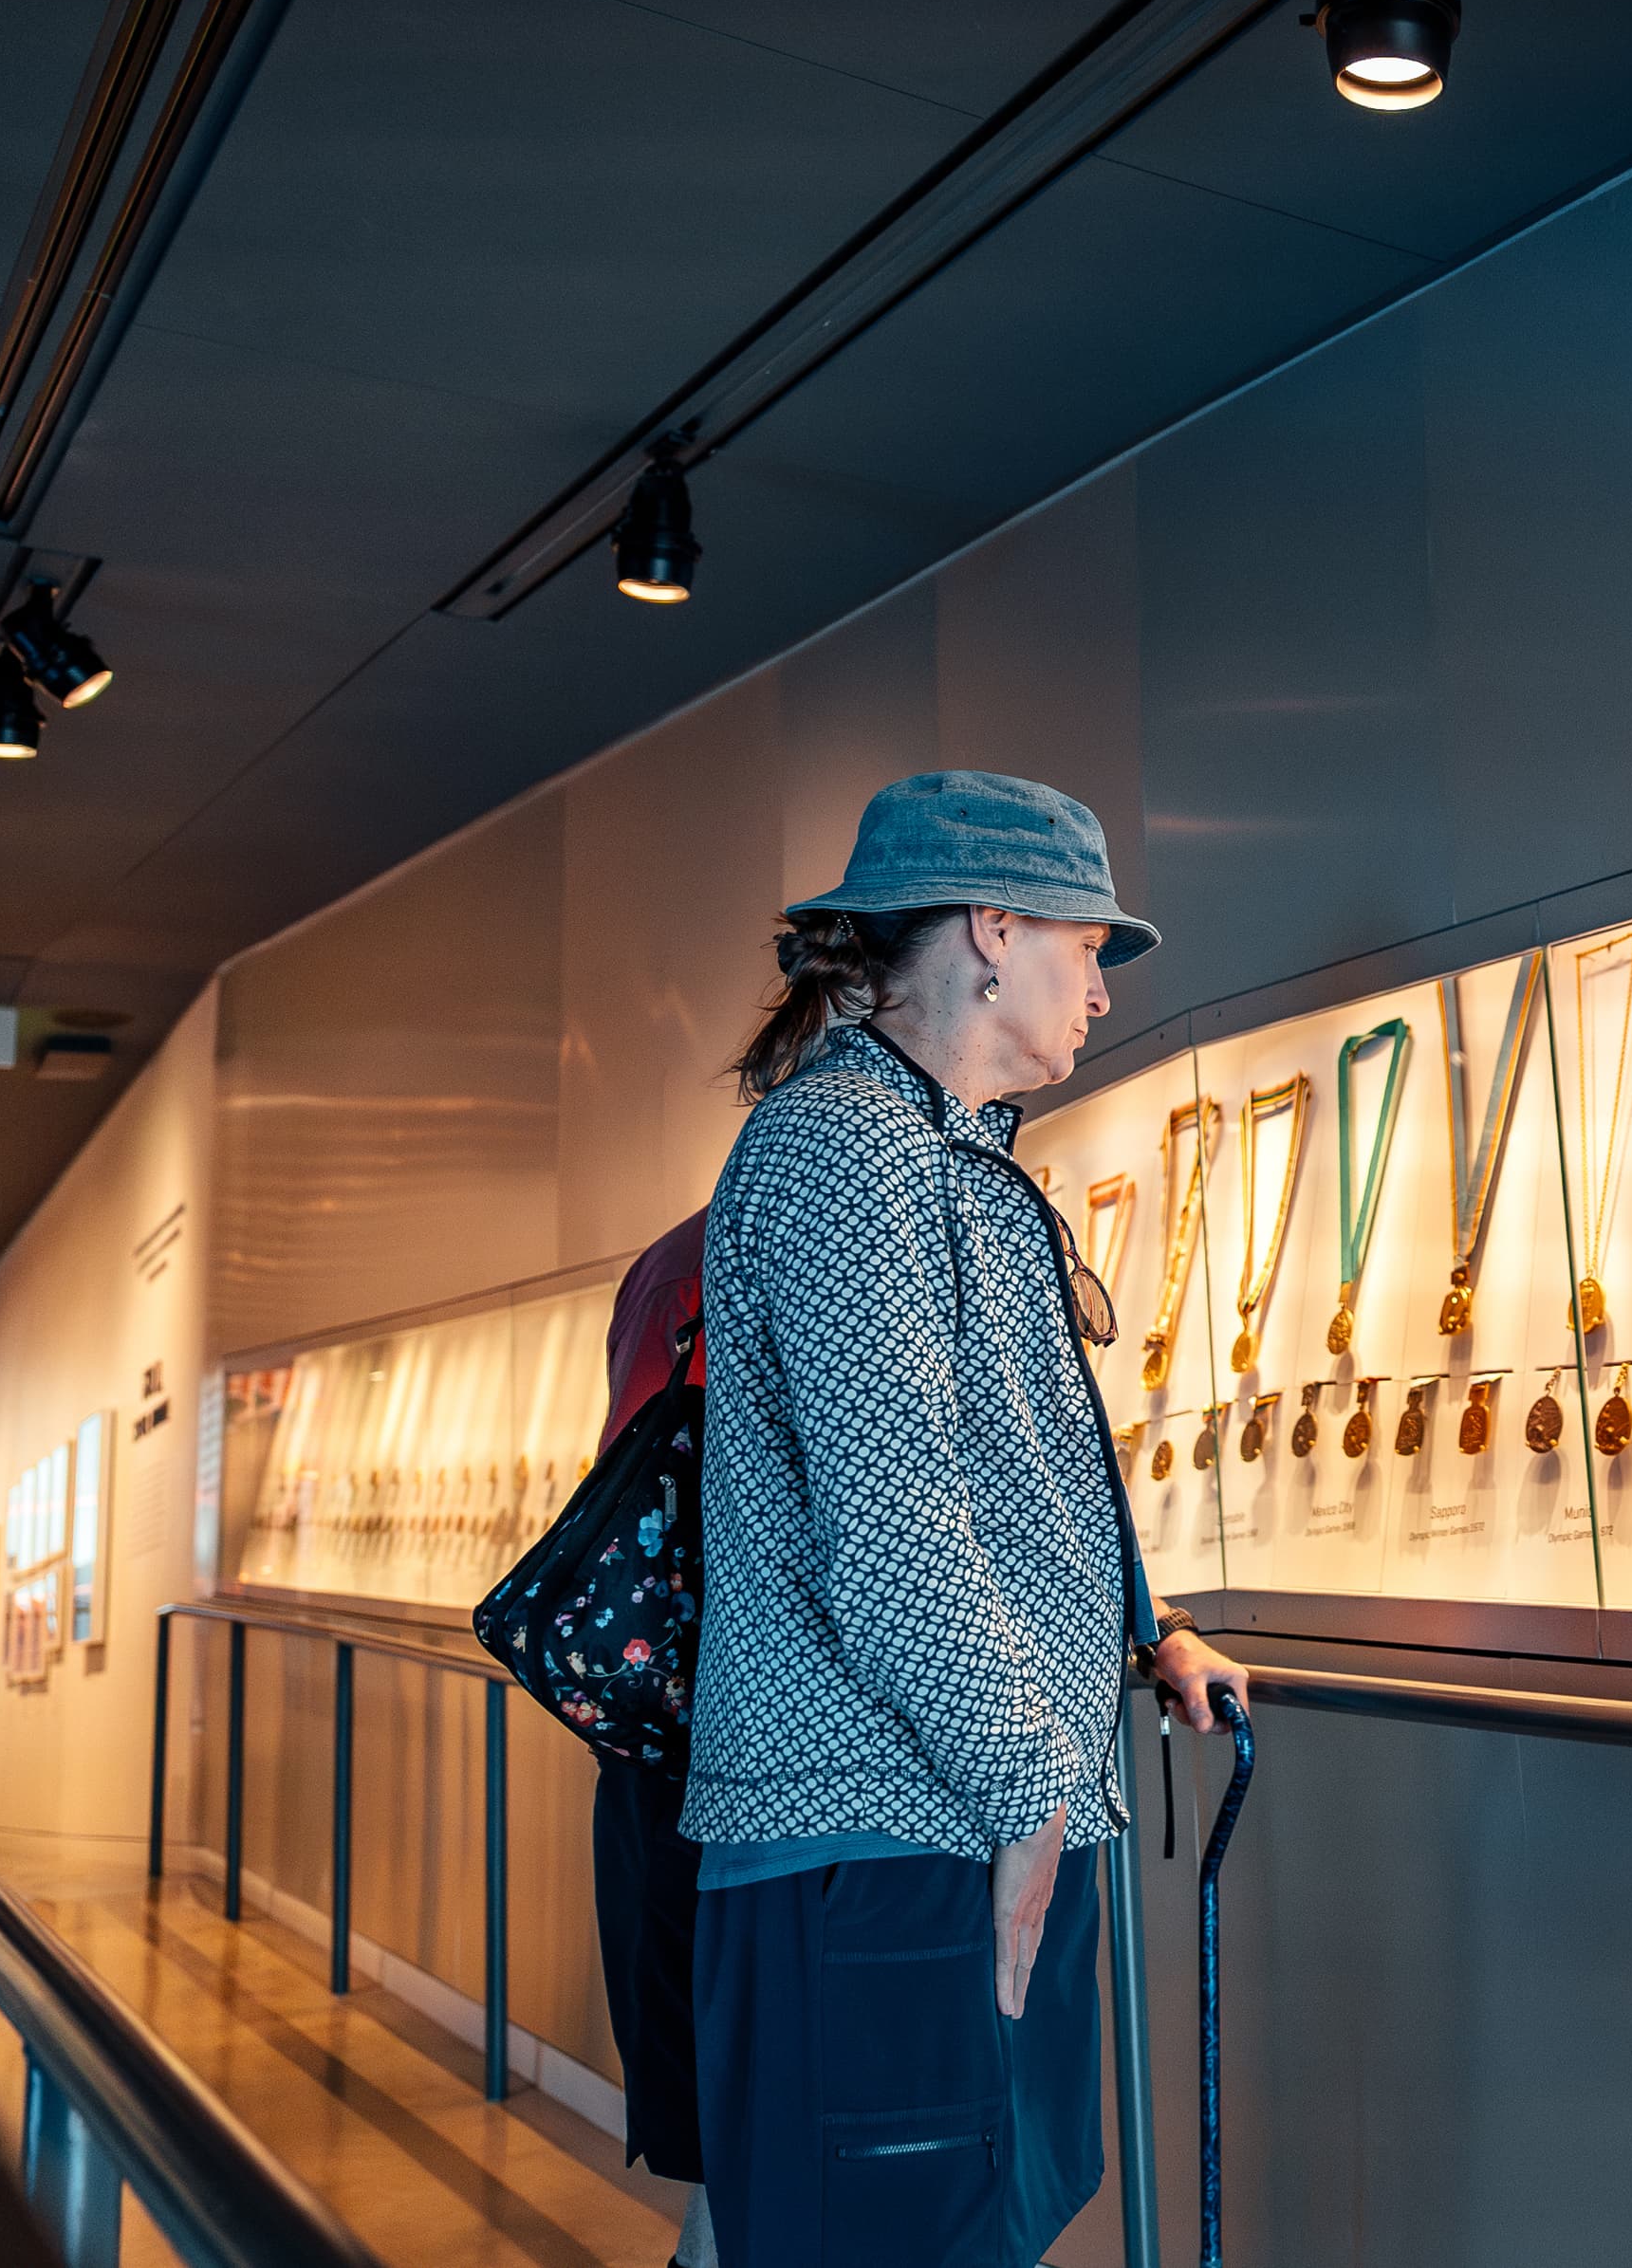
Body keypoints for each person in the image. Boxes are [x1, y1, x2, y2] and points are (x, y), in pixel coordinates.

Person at [682, 770, 1247, 2268]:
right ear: (994, 930)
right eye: (1088, 947)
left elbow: (1017, 1476)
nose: (1103, 996)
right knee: (885, 2235)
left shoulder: (954, 1159)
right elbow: (896, 1521)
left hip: (960, 1815)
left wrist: (1149, 1628)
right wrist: (1029, 1794)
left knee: (967, 2225)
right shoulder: (843, 1151)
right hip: (883, 1828)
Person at [587, 1207, 718, 2268]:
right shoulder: (741, 1252)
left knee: (731, 2112)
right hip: (719, 1733)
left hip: (662, 1728)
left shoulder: (672, 1258)